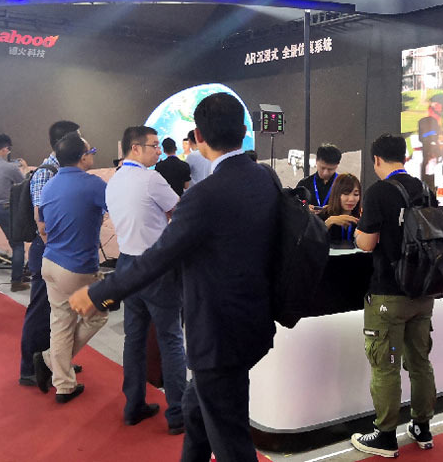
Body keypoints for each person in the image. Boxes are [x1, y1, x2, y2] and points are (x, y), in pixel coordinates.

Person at [69, 93, 279, 461]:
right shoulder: (265, 178)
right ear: (244, 131)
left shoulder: (204, 195)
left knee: (230, 442)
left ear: (198, 136)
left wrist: (100, 293)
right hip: (252, 321)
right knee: (197, 413)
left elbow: (159, 256)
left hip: (216, 333)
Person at [351, 133, 437, 455]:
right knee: (420, 362)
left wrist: (357, 233)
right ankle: (422, 427)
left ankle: (385, 435)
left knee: (386, 364)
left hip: (388, 294)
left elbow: (367, 243)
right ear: (405, 156)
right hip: (423, 292)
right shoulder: (426, 190)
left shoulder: (378, 192)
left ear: (376, 160)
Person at [106, 126, 186, 433]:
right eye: (154, 146)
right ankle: (178, 414)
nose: (158, 151)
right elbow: (179, 212)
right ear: (136, 148)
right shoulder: (151, 179)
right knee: (171, 338)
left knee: (135, 339)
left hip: (127, 264)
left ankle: (133, 406)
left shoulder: (114, 181)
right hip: (156, 266)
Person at [32, 133, 108, 403]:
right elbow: (117, 208)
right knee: (97, 316)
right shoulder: (93, 184)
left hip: (51, 262)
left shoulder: (49, 185)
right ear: (82, 157)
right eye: (91, 151)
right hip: (78, 267)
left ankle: (64, 384)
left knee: (61, 323)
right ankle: (50, 361)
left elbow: (43, 223)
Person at [18, 119, 80, 387]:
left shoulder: (62, 169)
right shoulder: (47, 172)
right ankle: (29, 369)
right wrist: (55, 248)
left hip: (58, 249)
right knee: (41, 310)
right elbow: (41, 220)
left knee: (60, 313)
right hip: (49, 248)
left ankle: (55, 361)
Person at [0, 133, 29, 292]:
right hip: (5, 208)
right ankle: (16, 281)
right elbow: (23, 184)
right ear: (5, 149)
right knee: (17, 244)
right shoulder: (10, 167)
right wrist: (25, 169)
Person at [318, 173, 361, 248]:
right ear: (336, 194)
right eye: (346, 194)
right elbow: (309, 242)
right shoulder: (322, 216)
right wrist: (327, 223)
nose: (351, 199)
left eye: (356, 194)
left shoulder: (361, 218)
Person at [297, 143, 341, 213]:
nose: (325, 173)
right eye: (322, 168)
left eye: (330, 169)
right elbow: (295, 207)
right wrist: (305, 208)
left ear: (337, 165)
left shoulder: (343, 184)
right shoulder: (304, 184)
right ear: (316, 161)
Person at [417, 93, 443, 192]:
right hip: (429, 153)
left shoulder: (437, 120)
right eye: (437, 105)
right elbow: (424, 137)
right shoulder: (426, 121)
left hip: (435, 154)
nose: (440, 108)